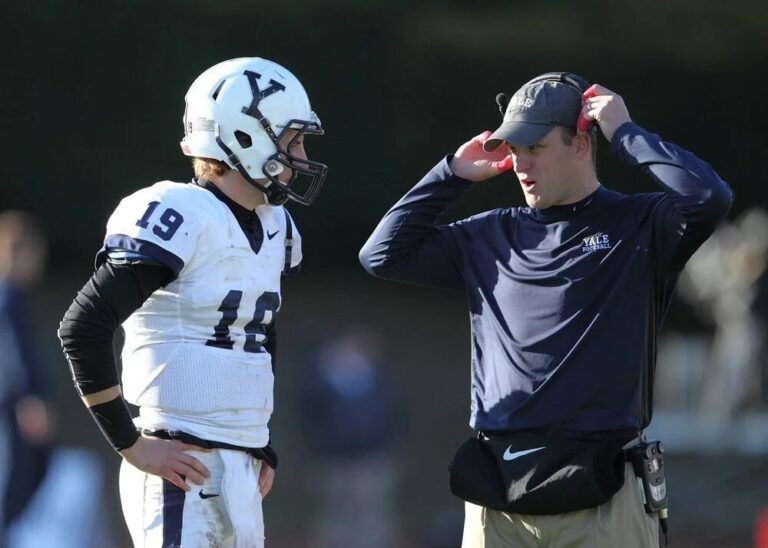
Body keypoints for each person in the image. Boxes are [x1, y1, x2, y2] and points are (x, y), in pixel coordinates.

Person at [359, 72, 734, 547]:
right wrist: (450, 173)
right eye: (514, 150)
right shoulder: (488, 236)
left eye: (534, 147)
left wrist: (626, 133)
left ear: (580, 143)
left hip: (603, 495)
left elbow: (708, 197)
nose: (520, 163)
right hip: (498, 500)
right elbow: (382, 255)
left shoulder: (640, 226)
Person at [58, 56, 328, 547]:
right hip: (181, 462)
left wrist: (258, 440)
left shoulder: (275, 227)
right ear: (244, 136)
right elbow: (83, 326)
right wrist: (130, 443)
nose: (302, 156)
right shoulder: (180, 212)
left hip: (238, 462)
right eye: (293, 140)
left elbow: (257, 330)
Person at [298, 326, 402, 548]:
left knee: (372, 519)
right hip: (332, 461)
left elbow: (393, 417)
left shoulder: (379, 380)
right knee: (332, 519)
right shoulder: (323, 380)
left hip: (372, 460)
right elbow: (309, 416)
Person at [0, 211, 55, 541]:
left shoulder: (14, 298)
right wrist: (28, 399)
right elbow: (12, 359)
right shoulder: (7, 299)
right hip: (12, 412)